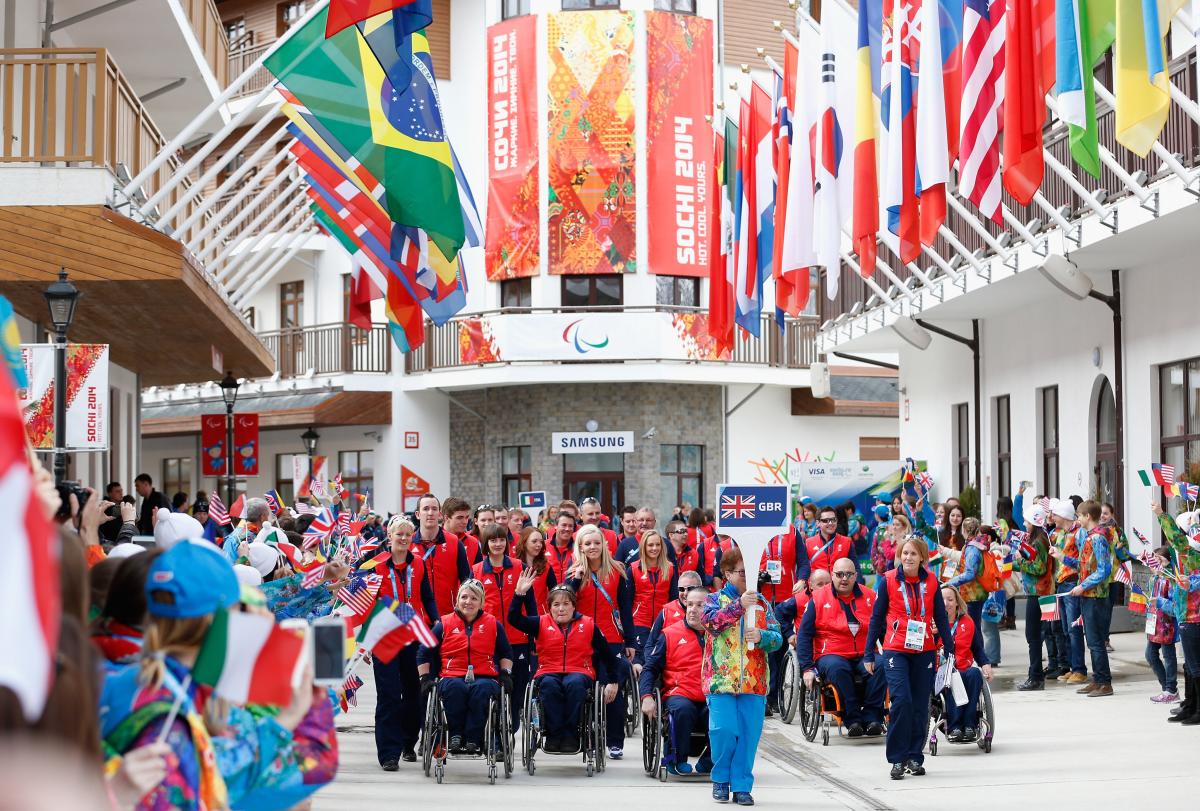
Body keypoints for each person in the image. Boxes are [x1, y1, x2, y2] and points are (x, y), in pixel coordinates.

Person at [865, 536, 955, 781]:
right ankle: (897, 758)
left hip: (924, 648)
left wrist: (949, 645)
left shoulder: (932, 581)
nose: (908, 558)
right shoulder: (888, 580)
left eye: (913, 554)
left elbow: (940, 614)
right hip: (895, 649)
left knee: (919, 705)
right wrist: (868, 653)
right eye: (905, 553)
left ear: (922, 558)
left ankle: (915, 756)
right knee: (901, 701)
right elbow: (876, 618)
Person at [702, 547, 781, 806]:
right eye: (742, 572)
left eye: (752, 573)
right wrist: (739, 606)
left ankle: (742, 785)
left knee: (748, 736)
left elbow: (778, 639)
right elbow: (712, 623)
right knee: (724, 730)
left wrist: (763, 637)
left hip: (754, 681)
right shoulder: (713, 600)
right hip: (721, 681)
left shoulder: (763, 604)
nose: (749, 577)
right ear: (727, 574)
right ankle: (721, 779)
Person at [508, 573, 619, 752]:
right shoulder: (540, 623)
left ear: (574, 606)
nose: (561, 609)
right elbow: (514, 619)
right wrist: (519, 594)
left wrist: (613, 681)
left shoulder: (588, 624)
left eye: (566, 604)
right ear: (549, 607)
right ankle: (553, 734)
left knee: (574, 685)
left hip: (579, 671)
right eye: (556, 604)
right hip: (548, 670)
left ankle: (571, 734)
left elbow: (608, 655)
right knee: (550, 687)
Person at [370, 516, 439, 769]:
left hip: (413, 635)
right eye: (399, 534)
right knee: (388, 696)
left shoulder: (419, 564)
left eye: (408, 535)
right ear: (389, 536)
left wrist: (438, 623)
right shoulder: (375, 565)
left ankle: (409, 743)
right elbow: (366, 605)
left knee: (414, 692)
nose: (403, 539)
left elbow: (427, 597)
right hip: (385, 638)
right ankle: (389, 753)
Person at [418, 580, 514, 755]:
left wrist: (505, 674)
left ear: (481, 602)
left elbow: (506, 652)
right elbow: (424, 651)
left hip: (484, 676)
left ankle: (473, 738)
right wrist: (424, 678)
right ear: (457, 600)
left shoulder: (493, 623)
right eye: (464, 597)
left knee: (482, 691)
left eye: (474, 598)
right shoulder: (445, 623)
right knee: (455, 689)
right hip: (452, 674)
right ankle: (454, 735)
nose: (468, 601)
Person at [566, 524, 635, 760]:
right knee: (586, 690)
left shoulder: (617, 570)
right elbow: (565, 602)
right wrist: (576, 579)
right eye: (587, 544)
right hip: (582, 639)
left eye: (596, 543)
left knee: (613, 690)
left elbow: (625, 608)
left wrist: (630, 641)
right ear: (580, 547)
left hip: (612, 639)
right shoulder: (573, 571)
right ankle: (588, 736)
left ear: (604, 545)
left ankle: (615, 741)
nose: (592, 547)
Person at [796, 557, 886, 737]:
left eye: (849, 574)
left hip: (864, 652)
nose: (844, 579)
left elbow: (883, 629)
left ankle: (873, 717)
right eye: (839, 574)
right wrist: (806, 667)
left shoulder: (870, 596)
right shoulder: (818, 598)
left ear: (856, 576)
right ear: (832, 575)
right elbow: (804, 635)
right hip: (831, 652)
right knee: (838, 669)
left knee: (882, 664)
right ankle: (852, 719)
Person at [640, 588, 713, 776]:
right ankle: (674, 759)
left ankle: (710, 761)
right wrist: (646, 696)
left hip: (711, 694)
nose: (692, 610)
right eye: (689, 604)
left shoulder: (719, 634)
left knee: (726, 714)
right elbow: (650, 669)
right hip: (679, 693)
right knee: (683, 710)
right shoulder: (669, 634)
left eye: (700, 605)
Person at [1051, 500, 1113, 696]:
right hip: (1088, 594)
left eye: (1079, 515)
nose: (1077, 519)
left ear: (1087, 517)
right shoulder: (1090, 537)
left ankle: (1105, 683)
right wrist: (1062, 557)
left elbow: (1104, 570)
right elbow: (1082, 565)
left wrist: (1082, 586)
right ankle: (1098, 680)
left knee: (1096, 641)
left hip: (1096, 596)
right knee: (1092, 641)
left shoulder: (1097, 538)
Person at [473, 523, 530, 731]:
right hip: (489, 641)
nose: (498, 544)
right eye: (493, 540)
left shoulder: (519, 567)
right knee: (492, 688)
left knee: (517, 691)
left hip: (518, 640)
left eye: (502, 539)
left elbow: (530, 606)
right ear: (485, 544)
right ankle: (495, 735)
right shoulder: (476, 571)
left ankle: (511, 729)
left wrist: (533, 638)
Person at [1155, 503, 1200, 725]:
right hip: (1185, 616)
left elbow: (1176, 538)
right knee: (1190, 666)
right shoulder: (1184, 558)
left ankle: (1196, 709)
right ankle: (1190, 705)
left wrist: (1161, 515)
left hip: (1194, 617)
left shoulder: (1192, 557)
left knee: (1195, 666)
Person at [1013, 503, 1057, 690]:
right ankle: (1035, 675)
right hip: (1039, 592)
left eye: (1026, 521)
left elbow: (1038, 568)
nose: (1024, 524)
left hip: (1038, 594)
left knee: (1033, 636)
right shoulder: (1039, 539)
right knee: (1035, 635)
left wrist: (1020, 561)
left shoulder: (1039, 541)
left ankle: (1036, 677)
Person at [940, 586, 993, 741]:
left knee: (975, 674)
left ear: (957, 602)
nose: (946, 603)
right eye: (942, 600)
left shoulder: (967, 622)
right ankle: (955, 726)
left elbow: (977, 648)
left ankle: (970, 725)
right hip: (943, 671)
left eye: (950, 599)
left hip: (964, 667)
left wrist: (986, 664)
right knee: (951, 677)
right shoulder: (933, 623)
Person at [636, 569, 704, 671]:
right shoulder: (666, 611)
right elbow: (650, 645)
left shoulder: (710, 610)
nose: (685, 593)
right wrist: (653, 668)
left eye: (690, 589)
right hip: (672, 673)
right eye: (681, 589)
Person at [414, 494, 471, 615]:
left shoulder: (455, 543)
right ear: (418, 515)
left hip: (449, 616)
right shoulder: (408, 544)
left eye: (434, 509)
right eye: (426, 509)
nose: (430, 513)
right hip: (418, 618)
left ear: (440, 514)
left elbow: (467, 581)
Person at [630, 530, 677, 660]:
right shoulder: (633, 569)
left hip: (663, 621)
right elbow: (627, 601)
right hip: (640, 622)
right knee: (643, 659)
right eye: (650, 545)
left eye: (658, 545)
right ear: (644, 546)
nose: (654, 548)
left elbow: (674, 598)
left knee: (660, 659)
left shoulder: (670, 568)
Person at [1145, 545, 1180, 703]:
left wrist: (1159, 602)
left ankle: (1170, 690)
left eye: (1160, 561)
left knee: (1168, 656)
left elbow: (1175, 607)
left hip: (1168, 626)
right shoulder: (1154, 579)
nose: (1155, 564)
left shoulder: (1171, 580)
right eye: (1154, 561)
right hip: (1154, 624)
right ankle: (1168, 687)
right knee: (1150, 655)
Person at [515, 526, 557, 614]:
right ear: (524, 543)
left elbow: (555, 593)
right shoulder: (514, 565)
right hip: (518, 617)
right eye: (534, 541)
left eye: (541, 542)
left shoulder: (546, 567)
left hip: (540, 617)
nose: (539, 545)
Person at [805, 507, 857, 574]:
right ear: (818, 523)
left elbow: (855, 568)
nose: (830, 523)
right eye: (826, 520)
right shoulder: (808, 543)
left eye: (833, 520)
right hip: (818, 583)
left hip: (840, 583)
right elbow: (804, 567)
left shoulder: (847, 542)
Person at [441, 497, 481, 566]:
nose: (465, 522)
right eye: (460, 518)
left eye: (467, 517)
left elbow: (479, 573)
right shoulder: (434, 541)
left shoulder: (473, 542)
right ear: (446, 518)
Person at [546, 511, 578, 583]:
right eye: (564, 525)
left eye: (570, 526)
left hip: (571, 592)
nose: (567, 529)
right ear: (556, 526)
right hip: (550, 593)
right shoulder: (543, 546)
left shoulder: (578, 548)